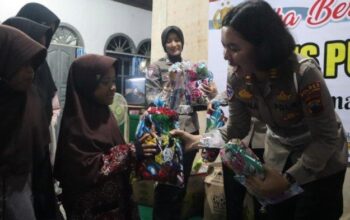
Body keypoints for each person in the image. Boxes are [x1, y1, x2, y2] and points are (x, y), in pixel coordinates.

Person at [171, 1, 348, 220]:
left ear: (264, 47)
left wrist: (289, 179)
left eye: (234, 48)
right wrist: (197, 141)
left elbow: (326, 138)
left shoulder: (303, 74)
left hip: (322, 162)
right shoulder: (236, 76)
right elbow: (237, 127)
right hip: (280, 155)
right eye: (224, 46)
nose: (226, 56)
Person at [53, 54, 151, 219]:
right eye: (105, 82)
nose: (113, 87)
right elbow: (89, 168)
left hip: (118, 205)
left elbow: (113, 154)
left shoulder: (105, 115)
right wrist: (131, 152)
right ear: (86, 85)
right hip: (94, 211)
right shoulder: (76, 125)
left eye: (113, 81)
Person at [145, 25, 217, 220]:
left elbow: (199, 102)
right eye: (169, 40)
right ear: (164, 44)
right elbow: (152, 102)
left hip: (190, 132)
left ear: (182, 42)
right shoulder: (156, 68)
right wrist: (170, 84)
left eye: (177, 39)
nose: (174, 44)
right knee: (165, 184)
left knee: (181, 185)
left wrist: (210, 96)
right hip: (167, 134)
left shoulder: (192, 68)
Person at [3, 17, 61, 220]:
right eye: (24, 61)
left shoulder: (31, 99)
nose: (32, 71)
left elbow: (39, 162)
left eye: (34, 63)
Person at [17, 2, 61, 126]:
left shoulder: (42, 65)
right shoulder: (6, 60)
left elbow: (52, 103)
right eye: (42, 31)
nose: (45, 40)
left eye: (49, 34)